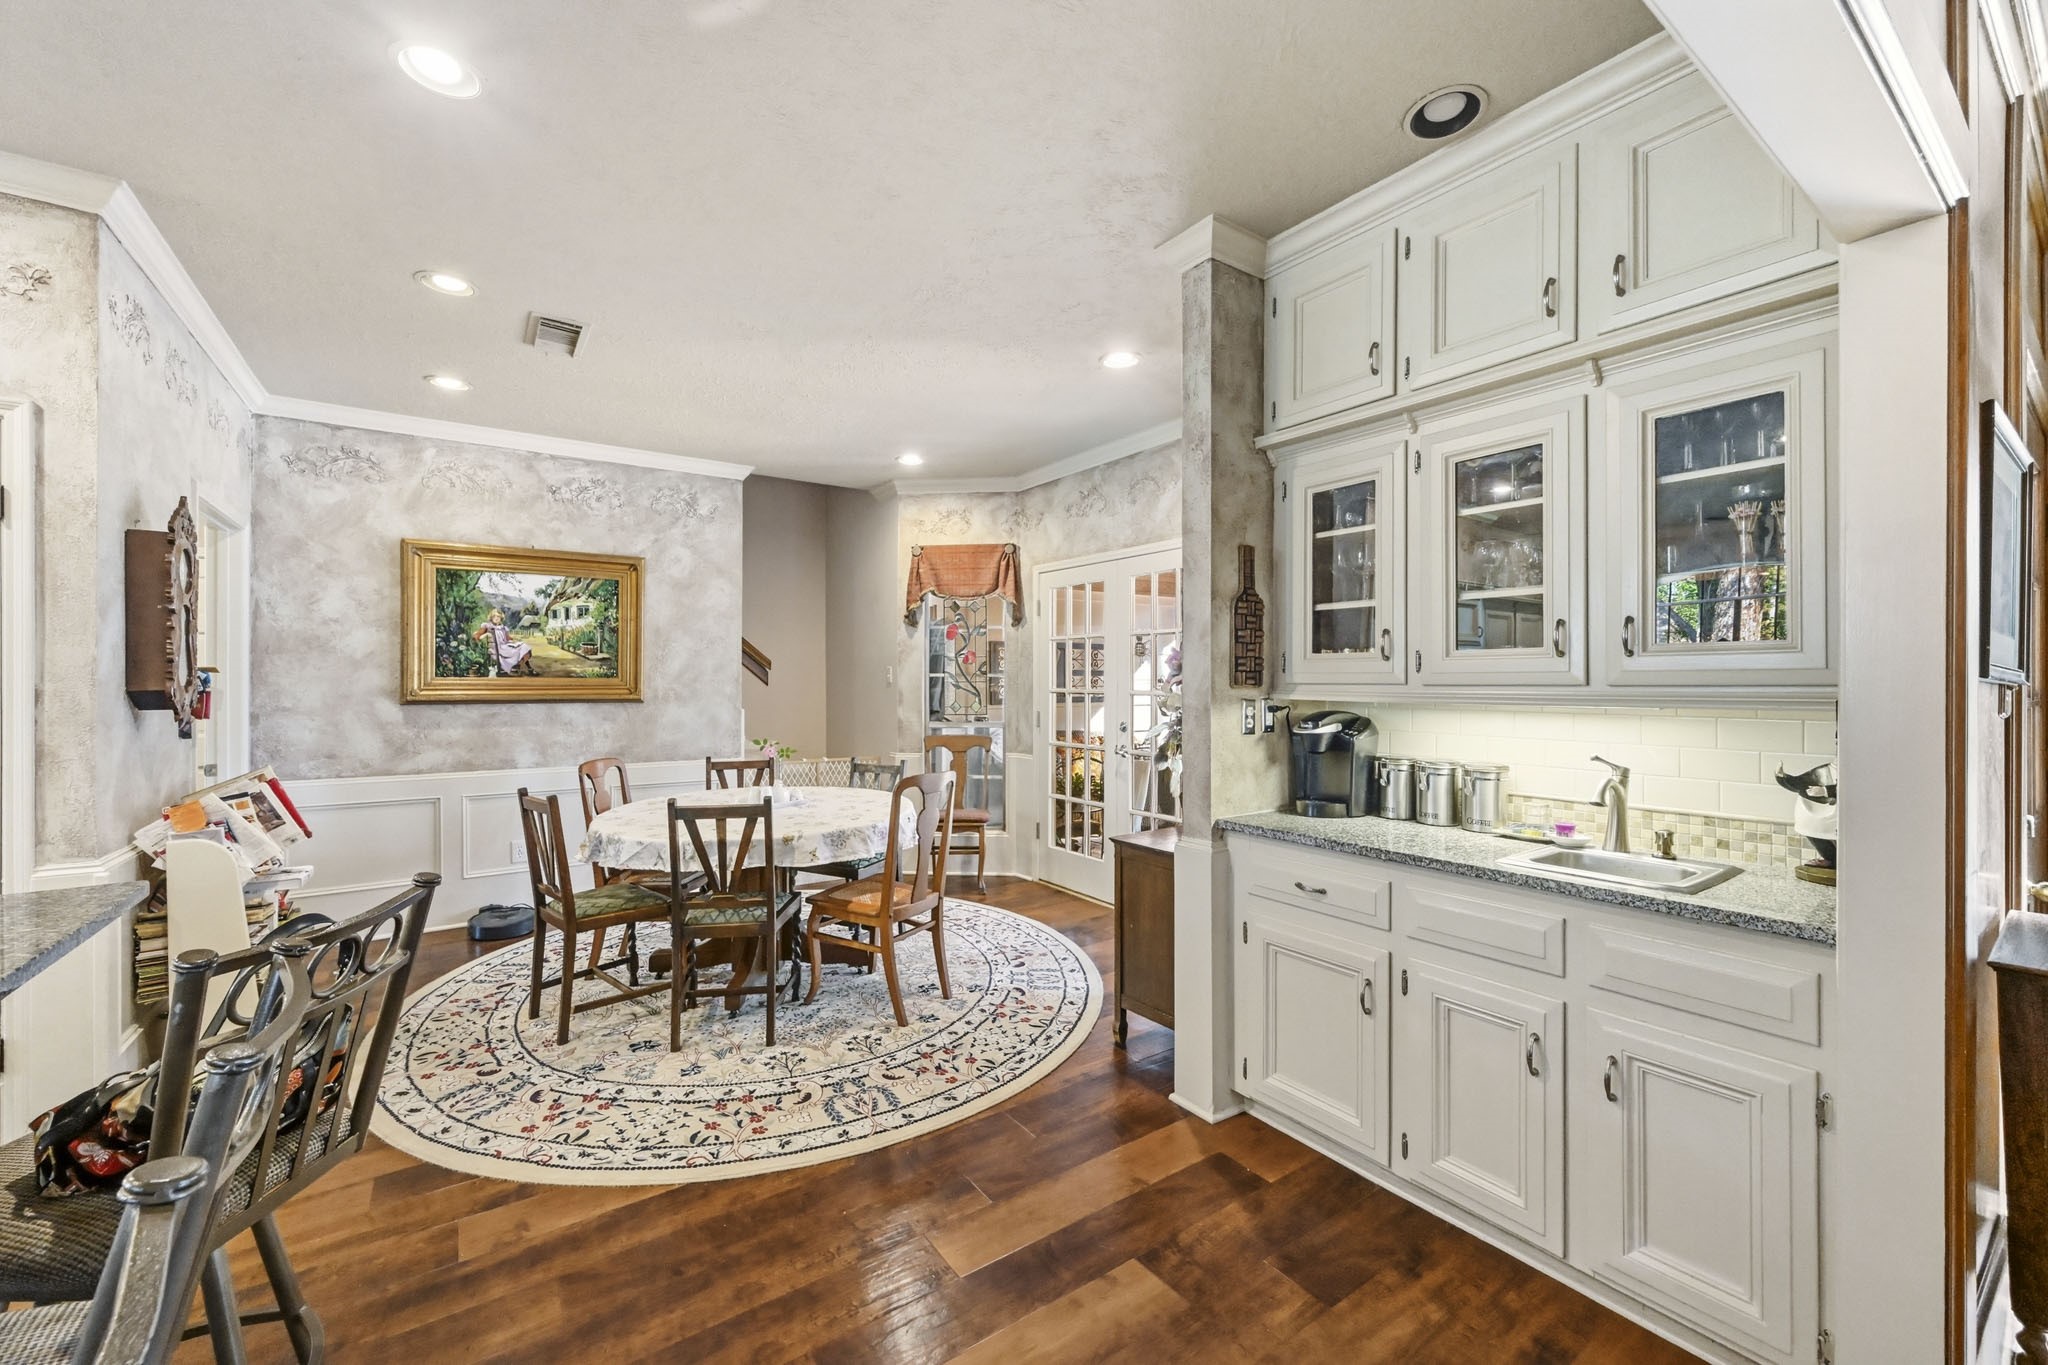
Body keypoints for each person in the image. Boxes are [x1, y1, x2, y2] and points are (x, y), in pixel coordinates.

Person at [473, 609, 535, 676]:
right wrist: (486, 634)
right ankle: (521, 667)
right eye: (494, 616)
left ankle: (520, 666)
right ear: (491, 618)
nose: (496, 618)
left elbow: (507, 638)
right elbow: (477, 635)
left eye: (498, 617)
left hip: (505, 646)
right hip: (499, 649)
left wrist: (514, 640)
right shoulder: (488, 626)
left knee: (524, 647)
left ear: (501, 618)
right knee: (521, 648)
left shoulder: (503, 628)